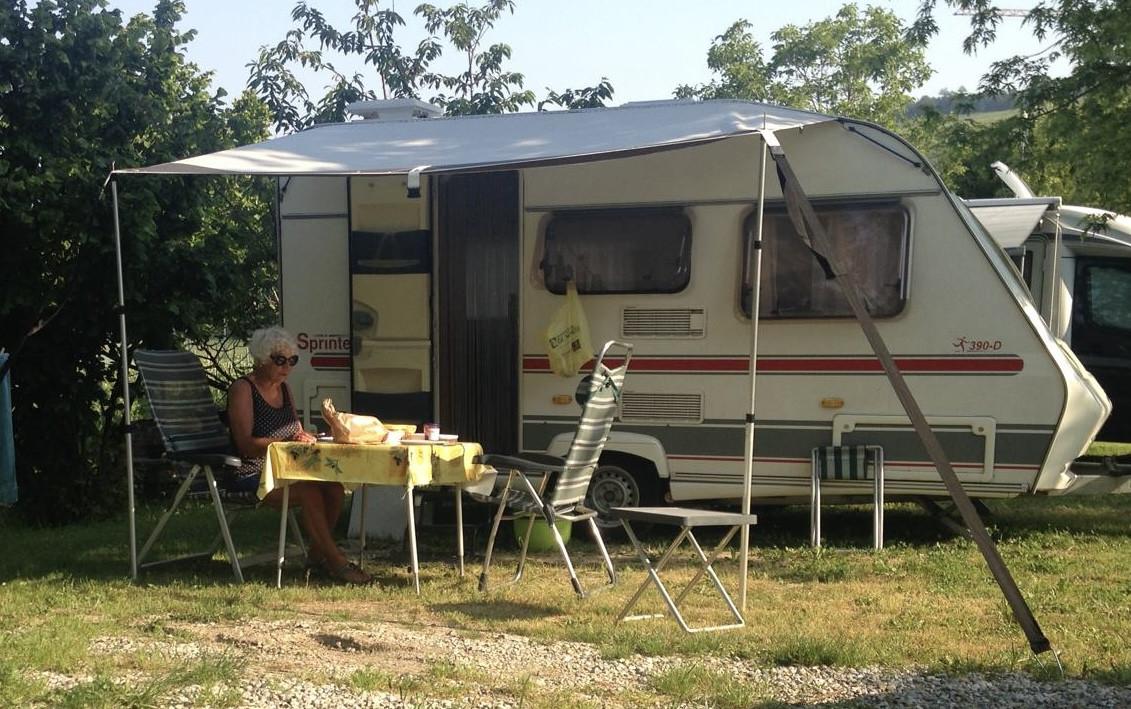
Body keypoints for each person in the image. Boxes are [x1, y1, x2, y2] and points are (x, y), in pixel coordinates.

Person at [227, 326, 370, 585]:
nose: (287, 367)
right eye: (279, 360)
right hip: (254, 473)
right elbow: (245, 444)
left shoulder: (284, 389)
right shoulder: (243, 389)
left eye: (292, 360)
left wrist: (306, 438)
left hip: (289, 468)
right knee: (309, 492)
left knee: (335, 488)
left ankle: (316, 558)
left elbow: (295, 430)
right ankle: (337, 562)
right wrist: (287, 443)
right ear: (262, 359)